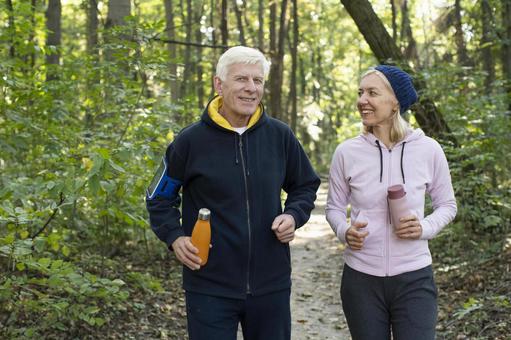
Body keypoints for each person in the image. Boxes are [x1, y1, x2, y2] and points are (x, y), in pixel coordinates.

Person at [146, 46, 320, 340]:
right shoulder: (189, 142)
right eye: (241, 79)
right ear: (219, 84)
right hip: (209, 286)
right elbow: (159, 198)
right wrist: (174, 237)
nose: (251, 89)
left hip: (271, 285)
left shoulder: (280, 136)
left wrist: (293, 215)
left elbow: (305, 185)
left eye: (258, 80)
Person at [326, 65, 457, 340]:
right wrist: (344, 231)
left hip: (414, 277)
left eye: (372, 93)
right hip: (361, 279)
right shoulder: (347, 152)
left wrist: (424, 227)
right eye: (361, 92)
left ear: (396, 102)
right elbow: (334, 208)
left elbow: (447, 204)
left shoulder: (429, 149)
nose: (362, 100)